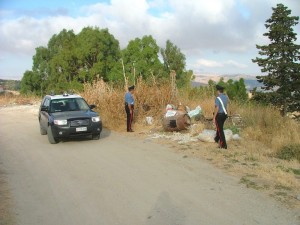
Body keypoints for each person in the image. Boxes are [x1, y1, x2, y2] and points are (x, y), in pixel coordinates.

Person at [213, 84, 228, 149]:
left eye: (216, 91)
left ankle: (223, 145)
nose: (216, 92)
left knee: (220, 130)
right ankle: (216, 138)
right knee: (220, 127)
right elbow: (226, 106)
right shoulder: (226, 97)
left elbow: (217, 108)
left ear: (218, 91)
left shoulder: (218, 98)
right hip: (225, 114)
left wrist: (214, 118)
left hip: (219, 115)